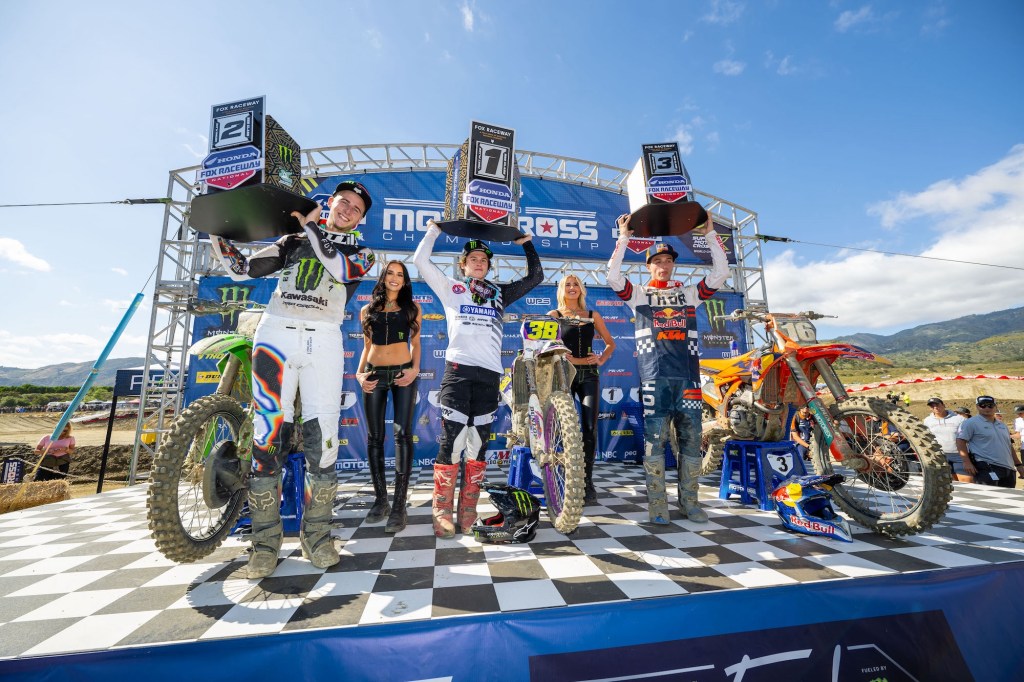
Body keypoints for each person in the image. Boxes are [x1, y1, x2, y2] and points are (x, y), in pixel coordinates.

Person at [211, 180, 375, 578]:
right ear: (330, 203)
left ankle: (317, 538)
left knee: (325, 437)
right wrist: (217, 228)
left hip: (325, 338)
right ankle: (264, 545)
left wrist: (312, 226)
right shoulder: (292, 240)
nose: (348, 210)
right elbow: (241, 269)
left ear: (360, 220)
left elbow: (340, 268)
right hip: (276, 335)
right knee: (268, 433)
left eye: (356, 208)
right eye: (343, 202)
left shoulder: (363, 253)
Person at [414, 220, 543, 538]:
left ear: (488, 265)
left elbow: (536, 277)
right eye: (472, 259)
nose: (478, 262)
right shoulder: (451, 288)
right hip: (458, 373)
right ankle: (442, 511)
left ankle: (468, 510)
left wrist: (526, 243)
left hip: (489, 376)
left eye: (484, 259)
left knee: (477, 445)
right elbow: (420, 260)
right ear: (463, 265)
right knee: (453, 441)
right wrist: (434, 230)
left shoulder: (500, 293)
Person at [607, 213, 729, 524]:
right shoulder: (639, 294)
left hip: (688, 378)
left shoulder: (689, 294)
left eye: (668, 260)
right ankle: (658, 504)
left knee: (691, 441)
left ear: (673, 264)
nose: (663, 265)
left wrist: (710, 234)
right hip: (654, 378)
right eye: (657, 261)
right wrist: (624, 238)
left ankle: (690, 503)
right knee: (654, 442)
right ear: (648, 266)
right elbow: (613, 277)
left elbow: (721, 273)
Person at [354, 261, 422, 534]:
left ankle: (398, 506)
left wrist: (414, 370)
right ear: (383, 278)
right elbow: (366, 346)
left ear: (405, 281)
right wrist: (359, 374)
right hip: (373, 375)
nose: (395, 278)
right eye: (390, 273)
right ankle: (380, 499)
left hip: (403, 373)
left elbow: (415, 344)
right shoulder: (367, 310)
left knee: (402, 435)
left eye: (400, 275)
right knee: (374, 438)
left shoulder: (412, 308)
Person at [547, 275, 616, 504]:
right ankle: (563, 476)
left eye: (576, 284)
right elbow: (545, 346)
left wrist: (601, 359)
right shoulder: (554, 316)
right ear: (561, 289)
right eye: (567, 284)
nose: (572, 287)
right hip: (563, 375)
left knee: (589, 427)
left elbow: (610, 343)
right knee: (561, 428)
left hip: (589, 375)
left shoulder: (592, 315)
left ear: (581, 289)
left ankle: (587, 481)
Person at [956, 395, 1023, 488]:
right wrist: (966, 462)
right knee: (988, 495)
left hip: (1008, 468)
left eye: (990, 405)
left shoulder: (1002, 425)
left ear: (995, 407)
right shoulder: (970, 423)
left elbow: (1008, 445)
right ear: (977, 406)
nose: (987, 408)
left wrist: (1018, 465)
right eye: (982, 405)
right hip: (986, 466)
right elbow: (960, 441)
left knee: (1008, 496)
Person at [922, 396, 970, 482]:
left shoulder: (959, 419)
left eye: (937, 405)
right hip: (940, 455)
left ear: (943, 405)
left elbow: (968, 436)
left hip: (959, 455)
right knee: (948, 482)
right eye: (932, 406)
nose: (935, 408)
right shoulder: (927, 421)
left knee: (966, 481)